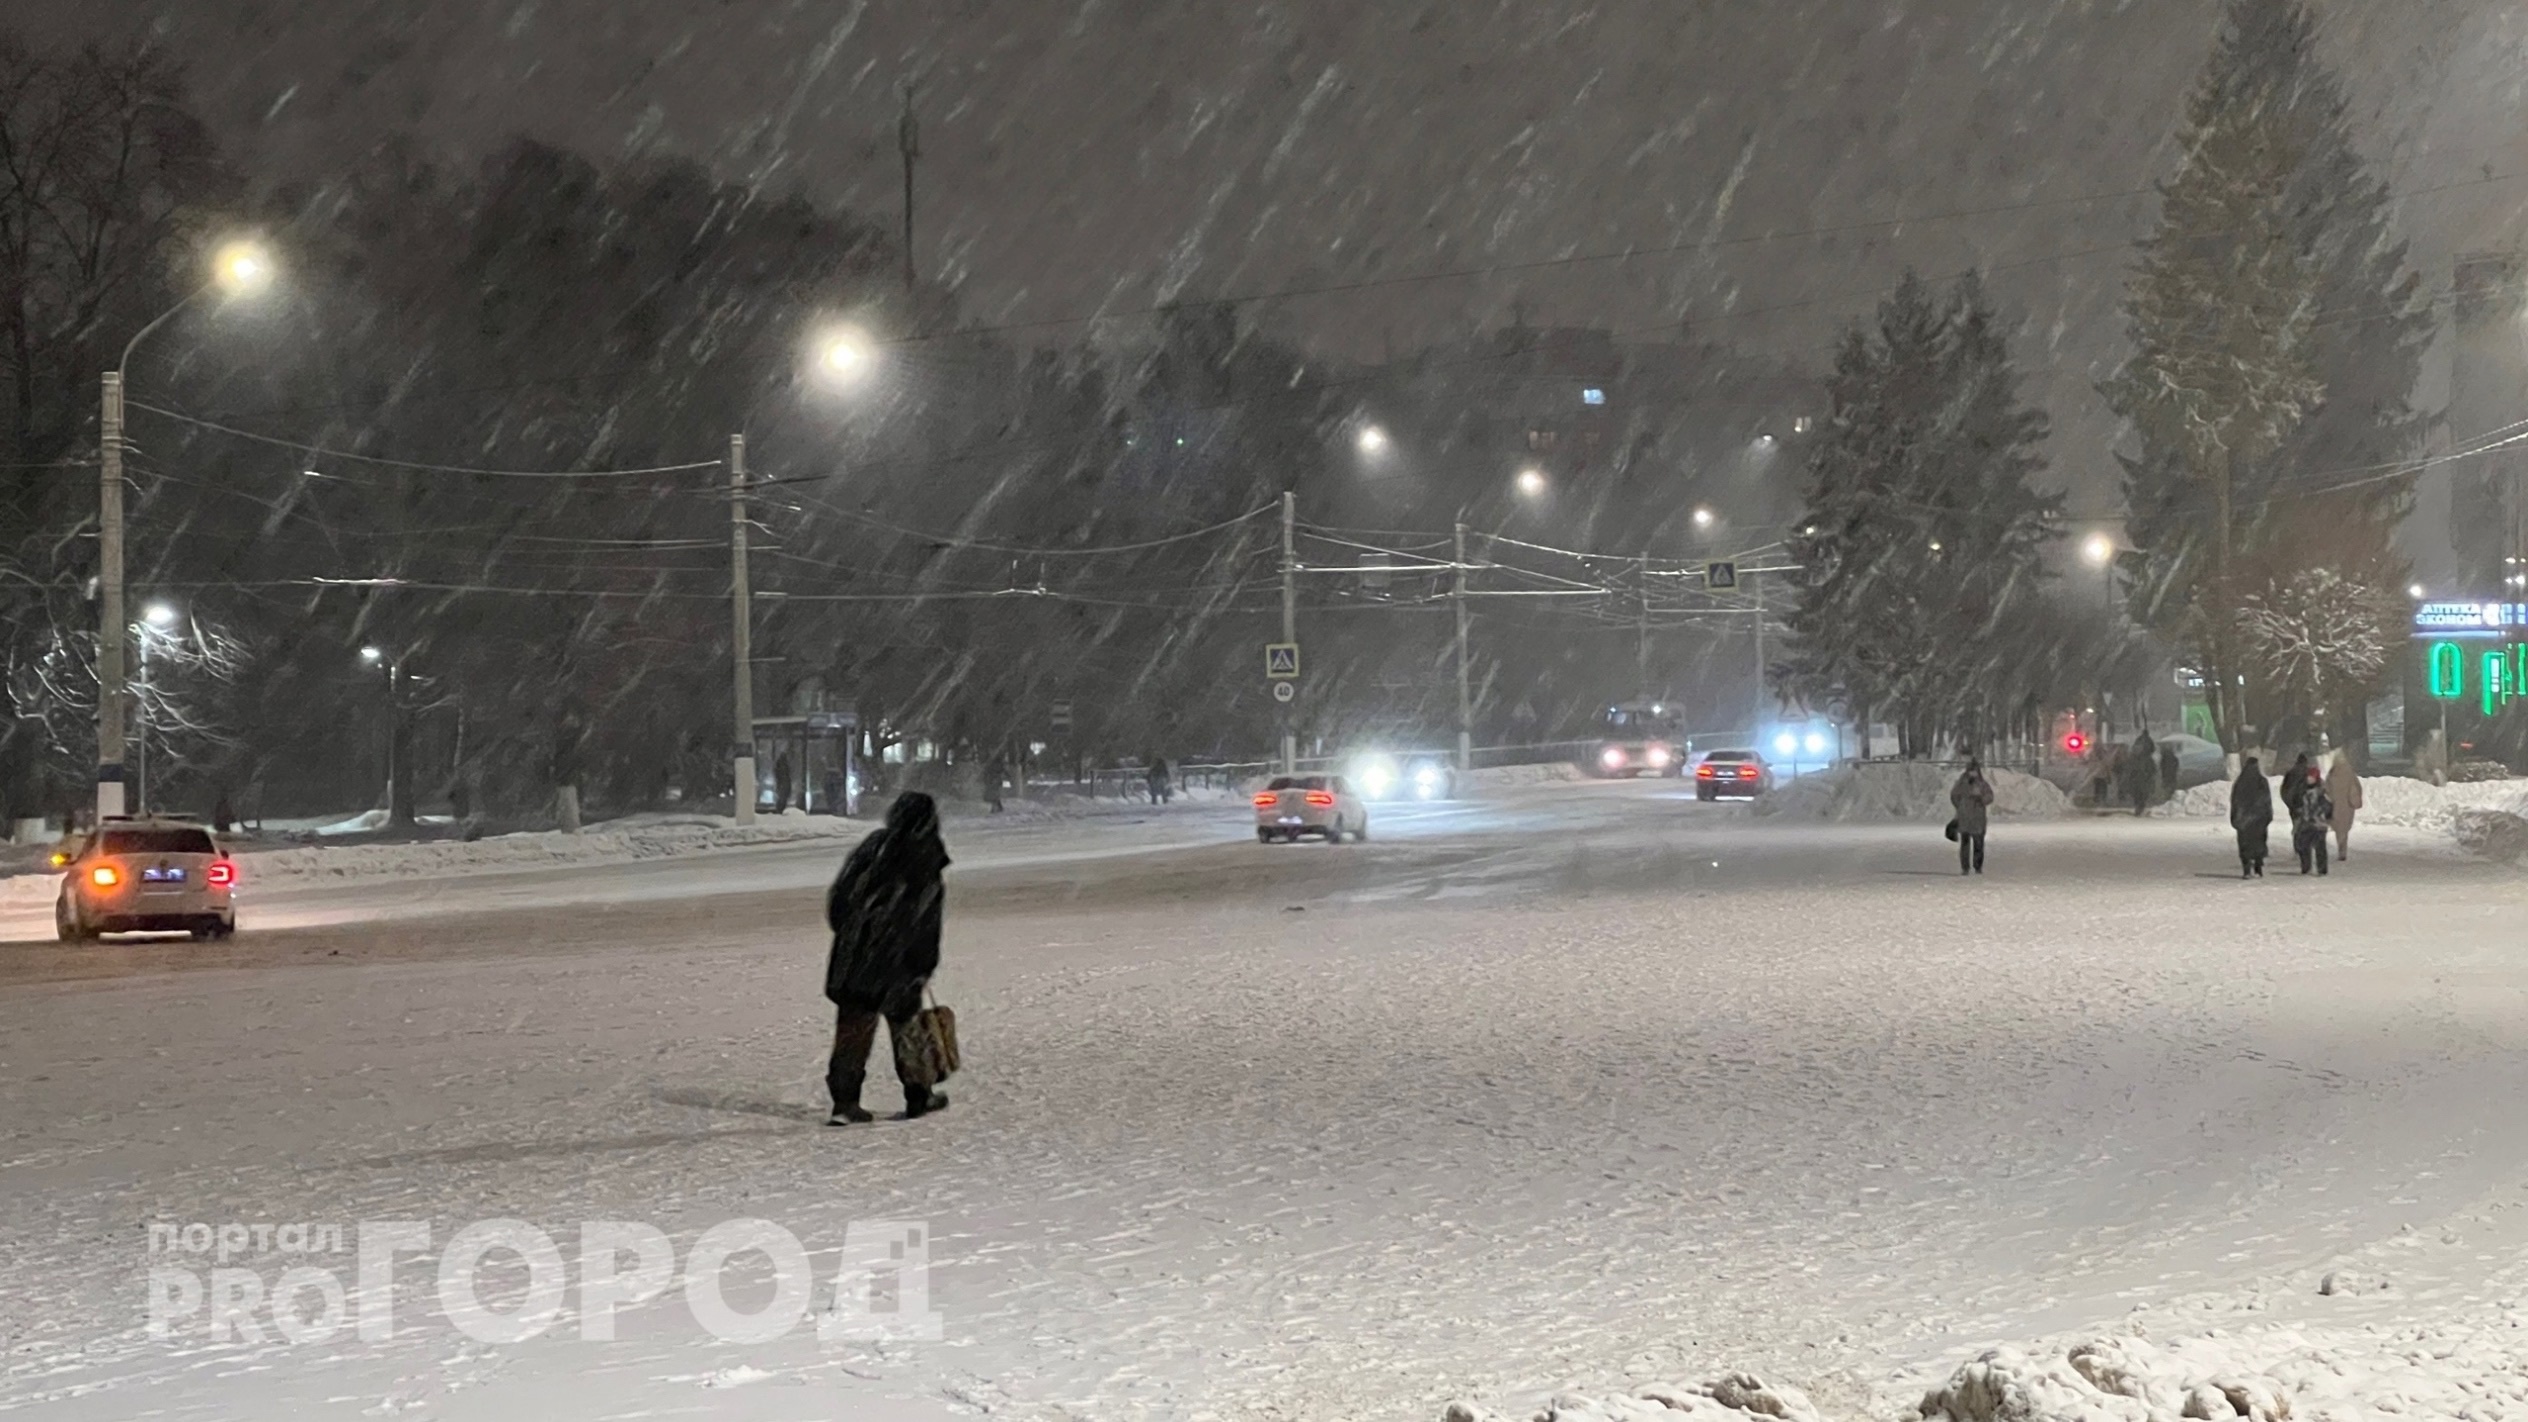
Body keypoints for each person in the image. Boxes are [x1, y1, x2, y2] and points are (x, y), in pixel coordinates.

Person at [823, 792, 952, 1124]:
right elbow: (926, 921)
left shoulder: (873, 848)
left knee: (853, 1029)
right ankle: (918, 1096)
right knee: (906, 1028)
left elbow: (839, 899)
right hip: (899, 962)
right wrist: (922, 964)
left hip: (856, 958)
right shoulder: (925, 856)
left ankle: (845, 1103)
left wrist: (854, 935)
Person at [1949, 757, 1995, 875]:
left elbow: (1990, 796)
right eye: (1971, 770)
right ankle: (1965, 867)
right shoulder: (1961, 783)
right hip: (1965, 817)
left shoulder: (1982, 784)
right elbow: (1954, 795)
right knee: (1965, 844)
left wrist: (1981, 799)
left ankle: (1977, 866)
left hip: (1978, 818)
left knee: (1978, 843)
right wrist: (1960, 806)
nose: (1973, 773)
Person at [2230, 757, 2273, 878]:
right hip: (2259, 820)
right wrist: (2268, 816)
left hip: (2244, 821)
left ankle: (2247, 869)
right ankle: (2258, 867)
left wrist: (2235, 819)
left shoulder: (2240, 783)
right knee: (2259, 843)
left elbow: (2235, 802)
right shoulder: (2262, 782)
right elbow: (2267, 801)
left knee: (2245, 845)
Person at [2292, 762, 2333, 876]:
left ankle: (2322, 869)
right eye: (2308, 777)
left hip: (2318, 823)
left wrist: (2323, 814)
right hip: (2305, 822)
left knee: (2320, 847)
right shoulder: (2301, 790)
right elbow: (2296, 803)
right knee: (2303, 846)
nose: (2309, 779)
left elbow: (2329, 806)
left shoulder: (2322, 791)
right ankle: (2306, 867)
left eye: (2311, 777)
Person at [2326, 750, 2363, 862]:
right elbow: (2357, 788)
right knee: (2344, 828)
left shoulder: (2332, 773)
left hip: (2334, 805)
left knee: (2337, 827)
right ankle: (2343, 850)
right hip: (2347, 805)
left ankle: (2340, 847)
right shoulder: (2350, 773)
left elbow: (2326, 789)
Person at [2127, 731, 2160, 817]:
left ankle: (2139, 807)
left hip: (2139, 779)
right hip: (2142, 779)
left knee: (2139, 794)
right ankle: (2140, 807)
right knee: (2141, 794)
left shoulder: (2135, 759)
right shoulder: (2147, 759)